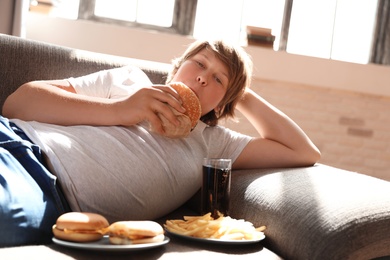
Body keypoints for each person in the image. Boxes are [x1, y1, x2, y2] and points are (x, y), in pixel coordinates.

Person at [0, 40, 320, 247]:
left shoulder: (215, 143)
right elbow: (17, 103)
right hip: (18, 145)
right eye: (200, 63)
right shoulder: (130, 81)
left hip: (50, 198)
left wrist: (241, 92)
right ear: (176, 68)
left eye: (218, 79)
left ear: (222, 105)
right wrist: (122, 110)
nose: (204, 77)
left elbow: (302, 151)